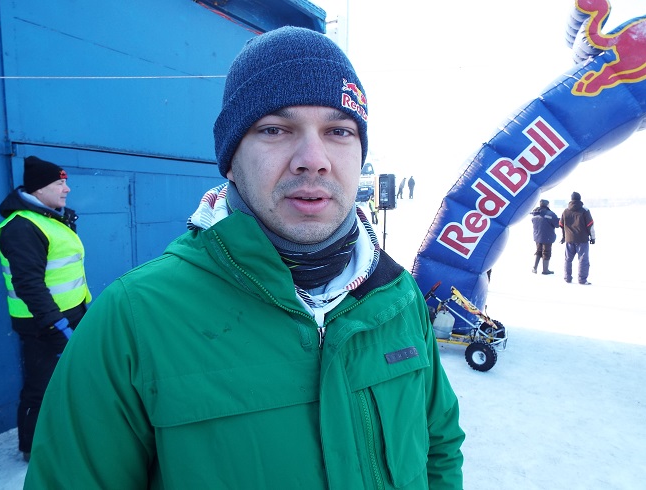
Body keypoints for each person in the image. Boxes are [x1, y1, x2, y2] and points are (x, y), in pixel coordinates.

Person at [24, 27, 464, 489]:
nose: (313, 159)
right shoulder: (132, 321)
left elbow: (439, 446)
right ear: (231, 160)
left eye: (339, 131)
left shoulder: (397, 297)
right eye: (275, 129)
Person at [0, 156, 91, 462]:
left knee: (69, 379)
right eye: (60, 183)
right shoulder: (22, 227)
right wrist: (56, 325)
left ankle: (65, 432)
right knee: (41, 387)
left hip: (70, 315)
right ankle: (33, 449)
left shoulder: (52, 218)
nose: (67, 189)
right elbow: (29, 285)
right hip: (43, 324)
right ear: (38, 189)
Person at [560, 191, 596, 285]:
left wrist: (564, 236)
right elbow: (590, 225)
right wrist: (593, 237)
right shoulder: (585, 210)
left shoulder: (565, 211)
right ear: (580, 199)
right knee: (583, 260)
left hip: (569, 239)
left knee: (568, 259)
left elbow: (561, 225)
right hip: (582, 239)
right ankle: (582, 280)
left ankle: (567, 278)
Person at [530, 199, 559, 275]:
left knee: (538, 251)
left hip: (537, 236)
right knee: (546, 252)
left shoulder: (535, 213)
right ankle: (545, 270)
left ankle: (534, 268)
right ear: (547, 205)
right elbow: (557, 224)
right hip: (547, 236)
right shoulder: (550, 214)